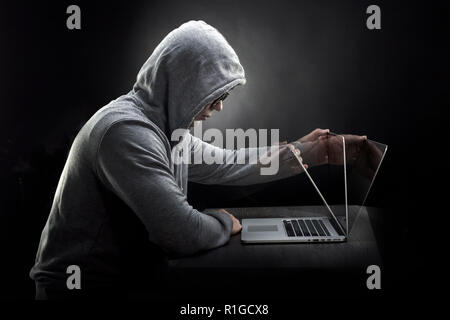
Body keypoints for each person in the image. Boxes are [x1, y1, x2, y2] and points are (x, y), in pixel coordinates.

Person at [30, 20, 365, 299]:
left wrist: (311, 152)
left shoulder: (163, 128)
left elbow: (229, 162)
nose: (219, 107)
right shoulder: (125, 133)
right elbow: (180, 235)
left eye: (224, 96)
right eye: (214, 94)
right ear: (183, 82)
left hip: (127, 279)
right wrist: (222, 222)